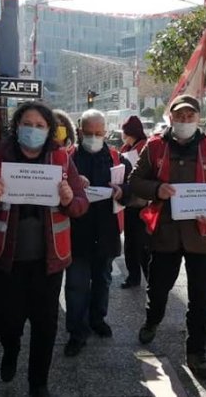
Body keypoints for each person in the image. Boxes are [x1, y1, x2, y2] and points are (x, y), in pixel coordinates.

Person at [0, 101, 89, 397]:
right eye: (27, 124)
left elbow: (80, 205)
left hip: (49, 258)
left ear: (49, 130)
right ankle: (11, 351)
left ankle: (38, 383)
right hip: (7, 257)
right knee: (9, 320)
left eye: (40, 126)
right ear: (16, 126)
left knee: (45, 324)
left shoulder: (61, 158)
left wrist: (68, 197)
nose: (32, 130)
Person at [130, 94, 206, 380]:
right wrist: (157, 189)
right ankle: (152, 319)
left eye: (190, 116)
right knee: (159, 289)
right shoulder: (155, 147)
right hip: (165, 233)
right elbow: (135, 181)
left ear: (198, 118)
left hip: (202, 235)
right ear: (170, 117)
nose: (185, 120)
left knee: (201, 298)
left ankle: (196, 352)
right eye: (180, 115)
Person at [64, 109, 130, 357]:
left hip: (106, 233)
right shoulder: (67, 159)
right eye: (89, 133)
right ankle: (76, 332)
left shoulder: (117, 159)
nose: (93, 137)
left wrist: (122, 190)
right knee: (76, 285)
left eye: (99, 133)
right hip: (76, 233)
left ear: (105, 132)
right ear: (80, 132)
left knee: (102, 281)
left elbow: (132, 189)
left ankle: (97, 320)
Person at [119, 115, 151, 289]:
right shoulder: (127, 147)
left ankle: (148, 278)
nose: (124, 136)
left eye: (125, 133)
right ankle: (133, 276)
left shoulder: (145, 147)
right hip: (129, 202)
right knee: (131, 243)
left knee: (142, 245)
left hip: (142, 203)